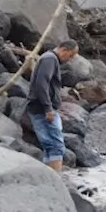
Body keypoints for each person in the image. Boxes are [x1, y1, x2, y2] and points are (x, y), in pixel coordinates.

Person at [27, 39, 78, 172]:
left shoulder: (48, 58)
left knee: (49, 145)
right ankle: (56, 180)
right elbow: (41, 84)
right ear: (64, 50)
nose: (70, 59)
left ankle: (49, 179)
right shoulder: (50, 59)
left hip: (40, 108)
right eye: (71, 55)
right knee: (56, 145)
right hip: (43, 109)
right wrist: (48, 108)